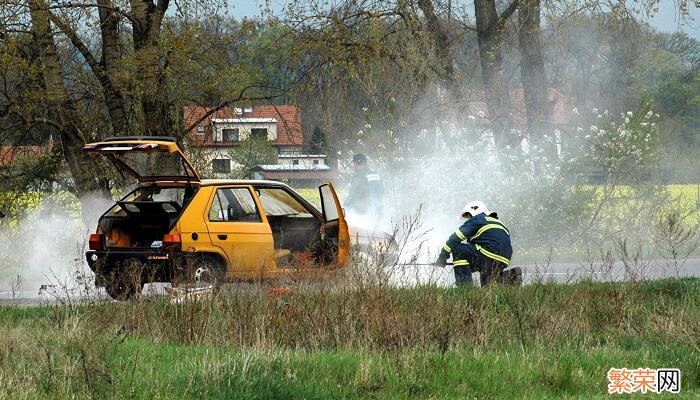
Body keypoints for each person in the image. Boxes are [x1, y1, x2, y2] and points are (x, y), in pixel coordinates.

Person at [435, 200, 513, 287]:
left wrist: (442, 257)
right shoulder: (498, 222)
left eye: (469, 215)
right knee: (487, 286)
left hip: (488, 253)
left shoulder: (478, 219)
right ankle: (509, 279)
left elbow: (454, 239)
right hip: (504, 259)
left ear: (474, 210)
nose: (469, 218)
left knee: (458, 249)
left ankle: (464, 287)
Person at [344, 153, 383, 220]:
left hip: (364, 212)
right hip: (378, 210)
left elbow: (353, 195)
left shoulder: (359, 177)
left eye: (354, 164)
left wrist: (344, 207)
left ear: (356, 163)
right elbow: (382, 191)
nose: (353, 167)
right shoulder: (376, 175)